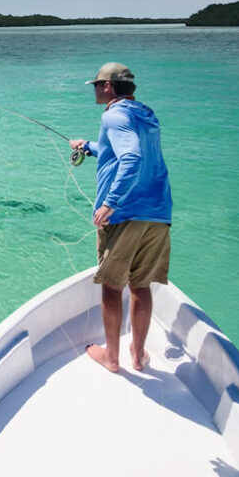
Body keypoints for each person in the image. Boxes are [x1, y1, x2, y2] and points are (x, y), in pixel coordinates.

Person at [69, 62, 172, 373]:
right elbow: (122, 150)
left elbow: (131, 156)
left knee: (112, 286)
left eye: (98, 85)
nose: (96, 90)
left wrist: (109, 203)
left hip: (125, 214)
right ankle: (138, 356)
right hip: (157, 214)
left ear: (109, 87)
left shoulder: (113, 115)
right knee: (140, 285)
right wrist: (88, 146)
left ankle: (112, 359)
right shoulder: (145, 114)